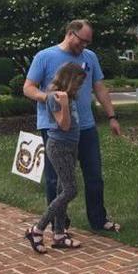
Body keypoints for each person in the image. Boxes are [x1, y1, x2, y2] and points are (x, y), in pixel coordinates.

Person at [23, 19, 122, 233]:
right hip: (55, 128)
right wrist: (49, 98)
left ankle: (98, 220)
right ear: (70, 33)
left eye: (88, 42)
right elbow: (28, 88)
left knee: (94, 175)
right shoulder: (45, 56)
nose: (84, 46)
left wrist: (112, 116)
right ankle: (60, 225)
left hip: (85, 126)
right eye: (82, 41)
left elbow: (100, 88)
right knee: (55, 179)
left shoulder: (90, 57)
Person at [25, 63, 85, 253]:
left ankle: (59, 234)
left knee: (62, 189)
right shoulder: (55, 98)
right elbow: (64, 125)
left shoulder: (69, 96)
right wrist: (65, 104)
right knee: (70, 190)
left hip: (70, 147)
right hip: (59, 147)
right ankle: (37, 229)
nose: (79, 87)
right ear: (69, 80)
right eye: (78, 83)